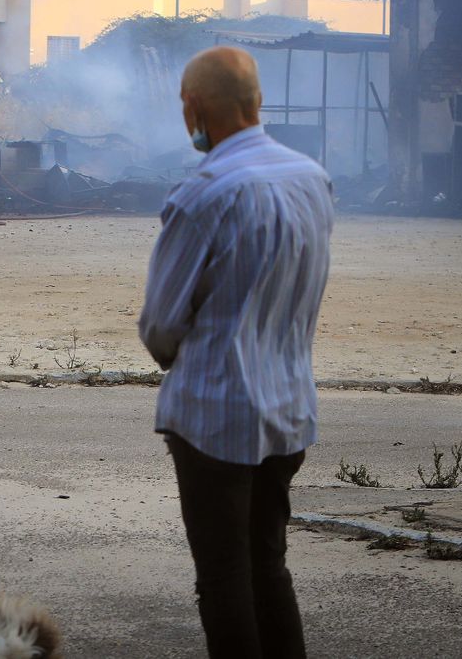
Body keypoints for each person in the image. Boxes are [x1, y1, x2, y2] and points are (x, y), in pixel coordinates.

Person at [137, 46, 332, 659]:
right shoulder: (311, 178)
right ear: (257, 102)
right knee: (268, 567)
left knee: (223, 579)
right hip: (288, 407)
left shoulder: (202, 194)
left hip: (216, 416)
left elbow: (160, 326)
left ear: (193, 108)